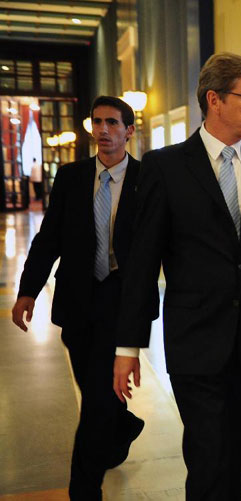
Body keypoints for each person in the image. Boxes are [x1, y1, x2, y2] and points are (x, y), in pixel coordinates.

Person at [112, 52, 241, 500]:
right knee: (206, 452)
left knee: (238, 450)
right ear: (215, 99)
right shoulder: (166, 167)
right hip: (194, 338)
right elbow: (143, 263)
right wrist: (128, 345)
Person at [12, 96, 158, 500]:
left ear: (129, 131)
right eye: (97, 122)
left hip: (122, 300)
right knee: (95, 388)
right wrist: (28, 290)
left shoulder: (149, 180)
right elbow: (49, 238)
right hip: (78, 301)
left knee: (95, 402)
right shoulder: (72, 177)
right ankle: (122, 424)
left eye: (113, 122)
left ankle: (84, 489)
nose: (103, 130)